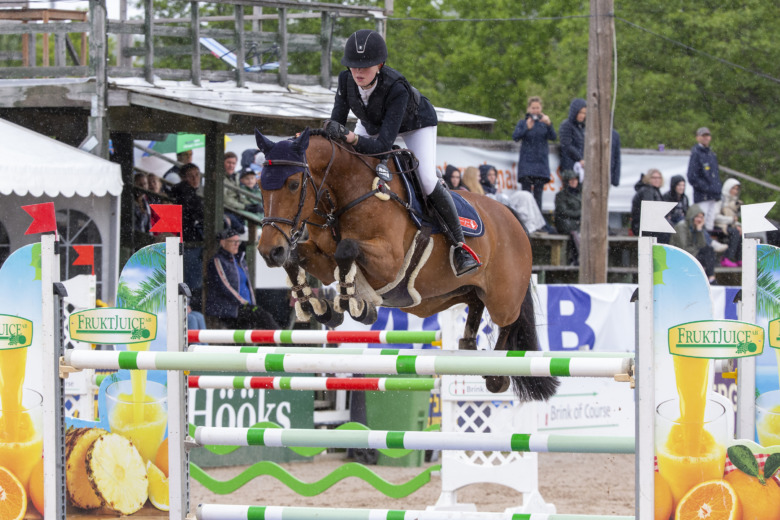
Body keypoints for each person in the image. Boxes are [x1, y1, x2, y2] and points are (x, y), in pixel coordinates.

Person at [325, 29, 478, 276]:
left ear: (380, 65)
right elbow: (336, 127)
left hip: (415, 124)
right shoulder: (345, 81)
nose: (358, 72)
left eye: (365, 66)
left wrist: (351, 137)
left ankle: (460, 247)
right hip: (373, 122)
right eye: (354, 66)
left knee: (426, 179)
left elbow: (384, 145)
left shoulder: (397, 88)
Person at [205, 228, 278, 329]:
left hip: (244, 307)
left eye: (238, 241)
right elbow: (225, 286)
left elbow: (248, 286)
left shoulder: (240, 259)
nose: (237, 244)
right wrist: (244, 303)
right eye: (233, 242)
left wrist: (251, 304)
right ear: (223, 243)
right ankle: (281, 341)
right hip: (228, 308)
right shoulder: (218, 260)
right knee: (263, 317)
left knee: (261, 319)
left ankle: (277, 340)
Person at [170, 163, 205, 305]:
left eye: (197, 175)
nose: (195, 178)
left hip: (190, 239)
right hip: (189, 240)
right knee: (192, 281)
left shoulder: (190, 193)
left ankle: (190, 305)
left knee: (192, 278)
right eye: (191, 176)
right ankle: (190, 306)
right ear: (183, 178)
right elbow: (196, 213)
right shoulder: (185, 193)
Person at [512, 96, 556, 209]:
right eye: (533, 108)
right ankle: (525, 222)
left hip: (541, 165)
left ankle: (538, 223)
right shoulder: (523, 123)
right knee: (525, 196)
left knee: (538, 197)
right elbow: (515, 137)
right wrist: (526, 128)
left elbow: (554, 137)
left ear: (541, 108)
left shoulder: (545, 124)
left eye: (537, 108)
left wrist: (549, 124)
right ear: (529, 109)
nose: (535, 110)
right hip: (526, 165)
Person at [670, 204, 717, 284]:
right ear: (692, 216)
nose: (699, 219)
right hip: (679, 256)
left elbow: (702, 245)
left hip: (692, 254)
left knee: (709, 250)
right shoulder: (681, 226)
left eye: (701, 217)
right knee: (707, 252)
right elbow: (683, 248)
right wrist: (697, 248)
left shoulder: (697, 226)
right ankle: (711, 278)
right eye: (697, 216)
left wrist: (699, 230)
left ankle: (711, 277)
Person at [686, 127, 721, 231]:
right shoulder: (696, 153)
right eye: (703, 136)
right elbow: (692, 176)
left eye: (707, 135)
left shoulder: (711, 154)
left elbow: (715, 176)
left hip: (713, 196)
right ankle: (699, 246)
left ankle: (707, 246)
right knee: (700, 223)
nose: (706, 138)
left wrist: (717, 190)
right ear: (697, 138)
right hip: (702, 196)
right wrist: (707, 188)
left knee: (709, 225)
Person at [554, 170, 582, 265]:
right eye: (571, 180)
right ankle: (576, 258)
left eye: (575, 180)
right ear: (567, 181)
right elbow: (563, 212)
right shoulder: (561, 195)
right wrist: (579, 213)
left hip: (579, 223)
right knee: (575, 233)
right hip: (567, 223)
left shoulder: (580, 194)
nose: (574, 182)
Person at [714, 178, 742, 267]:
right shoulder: (720, 199)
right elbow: (715, 217)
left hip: (727, 226)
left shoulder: (733, 201)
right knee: (735, 232)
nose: (735, 191)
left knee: (741, 231)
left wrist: (737, 225)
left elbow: (733, 219)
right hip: (716, 226)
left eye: (737, 189)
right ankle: (726, 258)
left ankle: (739, 259)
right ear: (727, 187)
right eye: (733, 188)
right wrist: (731, 220)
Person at [630, 169, 664, 237]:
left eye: (659, 178)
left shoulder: (655, 190)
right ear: (648, 178)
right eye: (654, 178)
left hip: (648, 225)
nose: (657, 180)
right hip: (642, 226)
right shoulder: (647, 190)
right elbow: (650, 210)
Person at [558, 98, 586, 174]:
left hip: (581, 167)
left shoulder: (582, 128)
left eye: (584, 113)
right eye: (580, 112)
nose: (582, 115)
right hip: (569, 167)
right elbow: (566, 146)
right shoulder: (566, 125)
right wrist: (579, 158)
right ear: (575, 112)